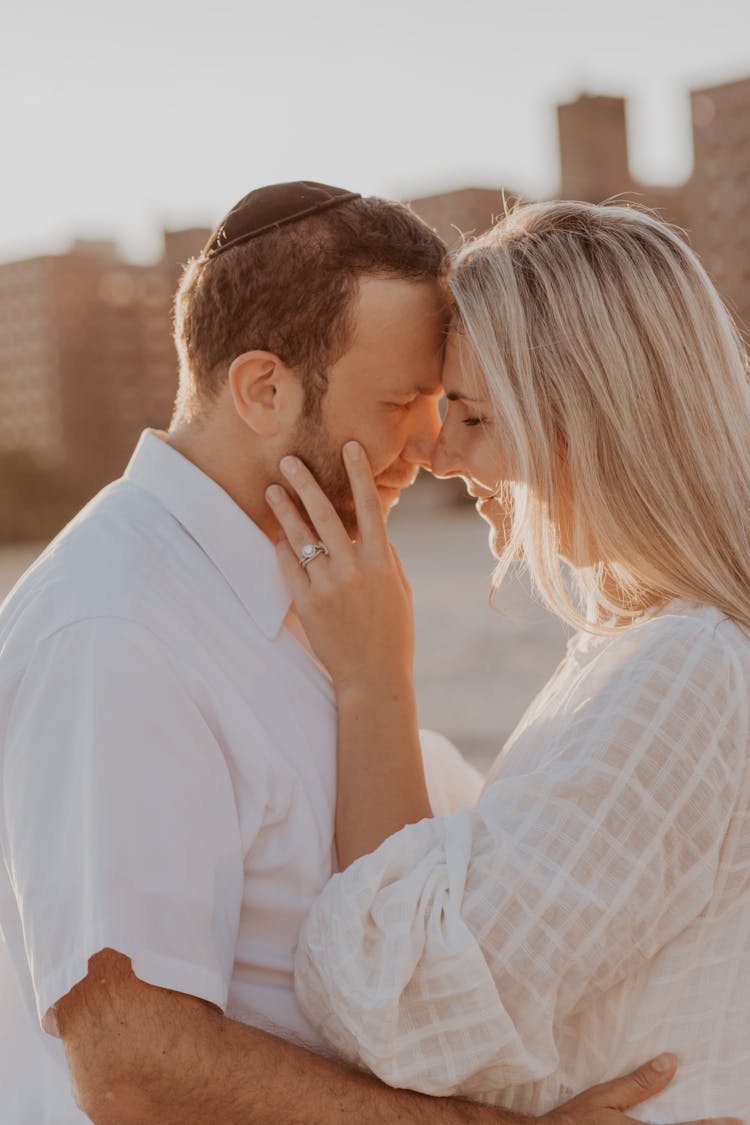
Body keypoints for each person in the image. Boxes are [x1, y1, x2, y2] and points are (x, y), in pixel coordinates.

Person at [0, 183, 708, 1125]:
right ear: (263, 389)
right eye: (400, 399)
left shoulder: (313, 592)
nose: (430, 441)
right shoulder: (114, 631)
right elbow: (136, 1065)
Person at [266, 201, 750, 1123]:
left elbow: (402, 1008)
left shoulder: (685, 668)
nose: (439, 453)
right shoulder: (649, 655)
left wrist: (375, 679)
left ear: (591, 423)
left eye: (475, 415)